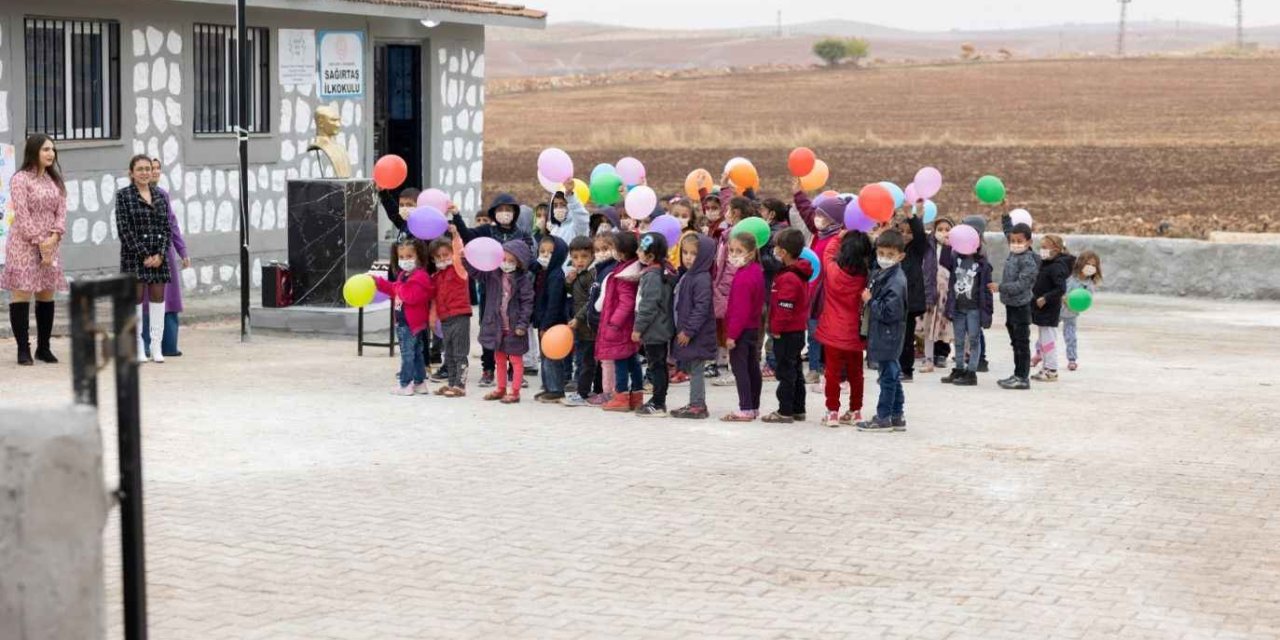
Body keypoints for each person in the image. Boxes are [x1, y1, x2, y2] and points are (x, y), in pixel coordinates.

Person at [453, 194, 533, 388]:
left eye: (508, 210)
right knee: (489, 328)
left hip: (514, 287)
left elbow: (529, 256)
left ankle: (515, 371)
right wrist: (456, 216)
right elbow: (468, 236)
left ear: (515, 213)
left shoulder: (522, 233)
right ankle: (488, 369)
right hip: (491, 286)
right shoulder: (486, 230)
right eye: (500, 210)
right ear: (493, 213)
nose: (504, 214)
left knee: (513, 330)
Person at [3, 134, 67, 365]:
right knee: (21, 293)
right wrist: (41, 241)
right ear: (34, 152)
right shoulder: (20, 179)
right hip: (23, 244)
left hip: (50, 244)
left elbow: (61, 212)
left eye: (52, 149)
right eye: (45, 149)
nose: (51, 153)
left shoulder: (55, 181)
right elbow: (21, 214)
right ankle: (23, 349)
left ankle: (44, 347)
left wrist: (55, 236)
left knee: (46, 293)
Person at [115, 154, 174, 364]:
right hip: (134, 256)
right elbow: (124, 230)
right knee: (136, 301)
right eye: (140, 169)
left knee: (158, 301)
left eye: (148, 169)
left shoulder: (160, 195)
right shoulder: (123, 196)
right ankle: (138, 345)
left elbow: (167, 227)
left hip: (159, 258)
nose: (144, 173)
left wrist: (159, 254)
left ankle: (156, 346)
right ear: (131, 173)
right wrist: (144, 255)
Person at [816, 229, 873, 427]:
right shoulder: (865, 278)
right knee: (856, 373)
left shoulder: (832, 270)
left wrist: (839, 236)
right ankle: (856, 411)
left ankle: (832, 412)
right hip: (855, 333)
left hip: (832, 332)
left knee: (832, 373)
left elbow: (828, 253)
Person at [791, 179, 845, 385]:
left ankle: (829, 368)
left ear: (834, 220)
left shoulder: (840, 239)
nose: (818, 219)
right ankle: (813, 368)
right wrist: (798, 194)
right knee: (813, 332)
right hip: (813, 292)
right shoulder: (818, 234)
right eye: (819, 215)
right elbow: (807, 213)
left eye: (823, 216)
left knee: (829, 333)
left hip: (830, 294)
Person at [469, 239, 534, 403]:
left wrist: (522, 324)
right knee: (499, 359)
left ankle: (515, 391)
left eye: (511, 261)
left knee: (515, 360)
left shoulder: (523, 280)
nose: (506, 263)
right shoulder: (493, 275)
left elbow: (527, 303)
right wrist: (465, 258)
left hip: (514, 328)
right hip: (496, 326)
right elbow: (475, 272)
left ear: (519, 263)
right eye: (503, 259)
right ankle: (500, 388)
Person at [858, 230, 909, 433]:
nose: (884, 258)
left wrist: (870, 301)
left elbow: (890, 312)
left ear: (900, 256)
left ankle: (884, 417)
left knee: (887, 376)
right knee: (892, 373)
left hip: (888, 333)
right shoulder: (883, 272)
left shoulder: (895, 280)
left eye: (889, 255)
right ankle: (897, 414)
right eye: (881, 253)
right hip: (885, 333)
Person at [140, 157, 191, 359]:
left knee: (168, 299)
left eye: (157, 169)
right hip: (142, 256)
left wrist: (182, 251)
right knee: (143, 299)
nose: (154, 172)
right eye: (150, 168)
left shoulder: (163, 195)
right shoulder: (131, 196)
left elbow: (172, 225)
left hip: (164, 254)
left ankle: (168, 345)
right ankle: (144, 345)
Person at [761, 228, 812, 423]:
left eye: (776, 248)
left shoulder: (789, 277)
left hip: (787, 332)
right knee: (795, 369)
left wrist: (776, 330)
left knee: (785, 372)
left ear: (783, 252)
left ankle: (785, 410)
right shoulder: (793, 273)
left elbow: (785, 307)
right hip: (796, 331)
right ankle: (798, 408)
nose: (774, 251)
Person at [374, 239, 435, 396]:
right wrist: (377, 282)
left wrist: (397, 286)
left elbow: (410, 296)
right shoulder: (403, 275)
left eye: (409, 256)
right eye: (401, 257)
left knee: (408, 355)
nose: (405, 260)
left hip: (410, 323)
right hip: (404, 322)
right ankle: (420, 383)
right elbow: (393, 289)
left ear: (419, 256)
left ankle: (405, 384)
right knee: (416, 354)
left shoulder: (420, 277)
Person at [670, 234, 717, 419]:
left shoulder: (702, 278)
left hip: (697, 334)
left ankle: (697, 405)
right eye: (685, 252)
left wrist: (688, 330)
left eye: (694, 253)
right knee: (692, 368)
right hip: (689, 332)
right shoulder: (689, 275)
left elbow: (701, 308)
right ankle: (694, 402)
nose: (688, 257)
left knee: (697, 370)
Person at [596, 232, 645, 412]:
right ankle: (637, 395)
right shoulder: (625, 268)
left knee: (620, 360)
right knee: (632, 359)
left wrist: (614, 324)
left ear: (622, 252)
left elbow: (626, 302)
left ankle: (622, 396)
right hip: (625, 326)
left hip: (620, 326)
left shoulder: (626, 275)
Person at [721, 232, 766, 422]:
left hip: (742, 329)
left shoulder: (744, 278)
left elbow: (740, 310)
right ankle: (753, 406)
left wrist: (731, 335)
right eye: (731, 250)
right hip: (753, 327)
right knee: (752, 367)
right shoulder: (756, 270)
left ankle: (746, 407)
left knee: (741, 369)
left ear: (750, 252)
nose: (733, 254)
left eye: (739, 251)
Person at [940, 230, 993, 386]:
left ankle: (971, 373)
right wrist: (946, 246)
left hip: (974, 309)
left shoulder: (982, 264)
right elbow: (944, 263)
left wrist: (987, 311)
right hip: (958, 307)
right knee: (958, 340)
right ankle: (959, 369)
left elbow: (986, 289)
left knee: (974, 340)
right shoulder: (955, 258)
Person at [632, 233, 677, 417]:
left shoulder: (652, 275)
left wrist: (638, 328)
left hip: (654, 328)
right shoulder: (665, 269)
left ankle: (658, 402)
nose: (638, 252)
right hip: (662, 325)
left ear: (650, 256)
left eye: (641, 250)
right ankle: (659, 399)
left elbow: (648, 305)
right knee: (659, 364)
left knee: (656, 365)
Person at [992, 223, 1039, 390]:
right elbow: (1008, 231)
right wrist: (1005, 215)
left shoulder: (1028, 261)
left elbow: (1021, 285)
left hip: (1021, 307)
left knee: (1021, 343)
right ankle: (1017, 374)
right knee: (1015, 342)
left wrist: (1000, 287)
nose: (1015, 243)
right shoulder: (1013, 253)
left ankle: (1022, 377)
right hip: (1010, 305)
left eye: (1020, 241)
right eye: (1013, 240)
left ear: (1029, 242)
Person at [429, 227, 471, 397]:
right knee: (450, 353)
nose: (442, 258)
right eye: (438, 257)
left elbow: (458, 253)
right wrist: (432, 318)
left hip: (460, 316)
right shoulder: (436, 277)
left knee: (460, 352)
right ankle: (451, 383)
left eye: (445, 255)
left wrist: (455, 235)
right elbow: (434, 301)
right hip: (445, 319)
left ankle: (460, 385)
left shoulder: (459, 270)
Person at [532, 235, 571, 402]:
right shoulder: (542, 272)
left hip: (553, 324)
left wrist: (546, 325)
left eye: (550, 252)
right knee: (545, 356)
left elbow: (554, 304)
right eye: (542, 251)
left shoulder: (556, 275)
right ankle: (548, 386)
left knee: (552, 357)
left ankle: (556, 389)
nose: (545, 255)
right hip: (544, 322)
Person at [562, 236, 601, 407]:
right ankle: (598, 391)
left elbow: (590, 301)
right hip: (583, 327)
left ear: (592, 255)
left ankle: (583, 393)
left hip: (590, 326)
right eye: (575, 257)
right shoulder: (579, 274)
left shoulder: (592, 275)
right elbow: (575, 294)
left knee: (587, 362)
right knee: (589, 360)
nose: (579, 261)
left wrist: (578, 318)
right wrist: (569, 282)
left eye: (584, 257)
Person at [1030, 234, 1074, 382]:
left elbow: (1060, 288)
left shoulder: (1057, 266)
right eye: (1041, 247)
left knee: (1049, 340)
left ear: (1055, 249)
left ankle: (1052, 369)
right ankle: (1046, 366)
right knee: (1043, 340)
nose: (1041, 251)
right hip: (1041, 309)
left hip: (1049, 309)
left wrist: (1045, 298)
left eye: (1044, 248)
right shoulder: (1047, 263)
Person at [895, 209, 930, 382]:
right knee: (894, 336)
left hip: (910, 301)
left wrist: (912, 217)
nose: (905, 235)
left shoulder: (916, 250)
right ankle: (893, 368)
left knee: (906, 337)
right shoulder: (893, 250)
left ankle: (906, 370)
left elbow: (920, 234)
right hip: (894, 299)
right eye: (901, 232)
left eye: (909, 232)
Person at [922, 218, 954, 371]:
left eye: (947, 229)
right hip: (932, 290)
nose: (944, 232)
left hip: (947, 292)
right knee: (930, 323)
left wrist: (949, 247)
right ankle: (928, 356)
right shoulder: (928, 246)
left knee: (945, 323)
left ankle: (942, 353)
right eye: (940, 229)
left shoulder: (955, 248)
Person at [1062, 251, 1102, 371]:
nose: (1090, 267)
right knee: (1048, 333)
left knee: (1071, 337)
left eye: (1094, 265)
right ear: (1081, 263)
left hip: (1071, 313)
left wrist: (1074, 303)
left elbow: (1085, 300)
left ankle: (1072, 359)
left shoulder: (1089, 284)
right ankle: (1039, 352)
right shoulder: (1070, 276)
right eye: (1088, 264)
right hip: (1056, 310)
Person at [547, 179, 591, 244]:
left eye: (563, 205)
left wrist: (570, 196)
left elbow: (582, 218)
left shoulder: (577, 227)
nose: (558, 208)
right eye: (555, 205)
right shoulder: (554, 230)